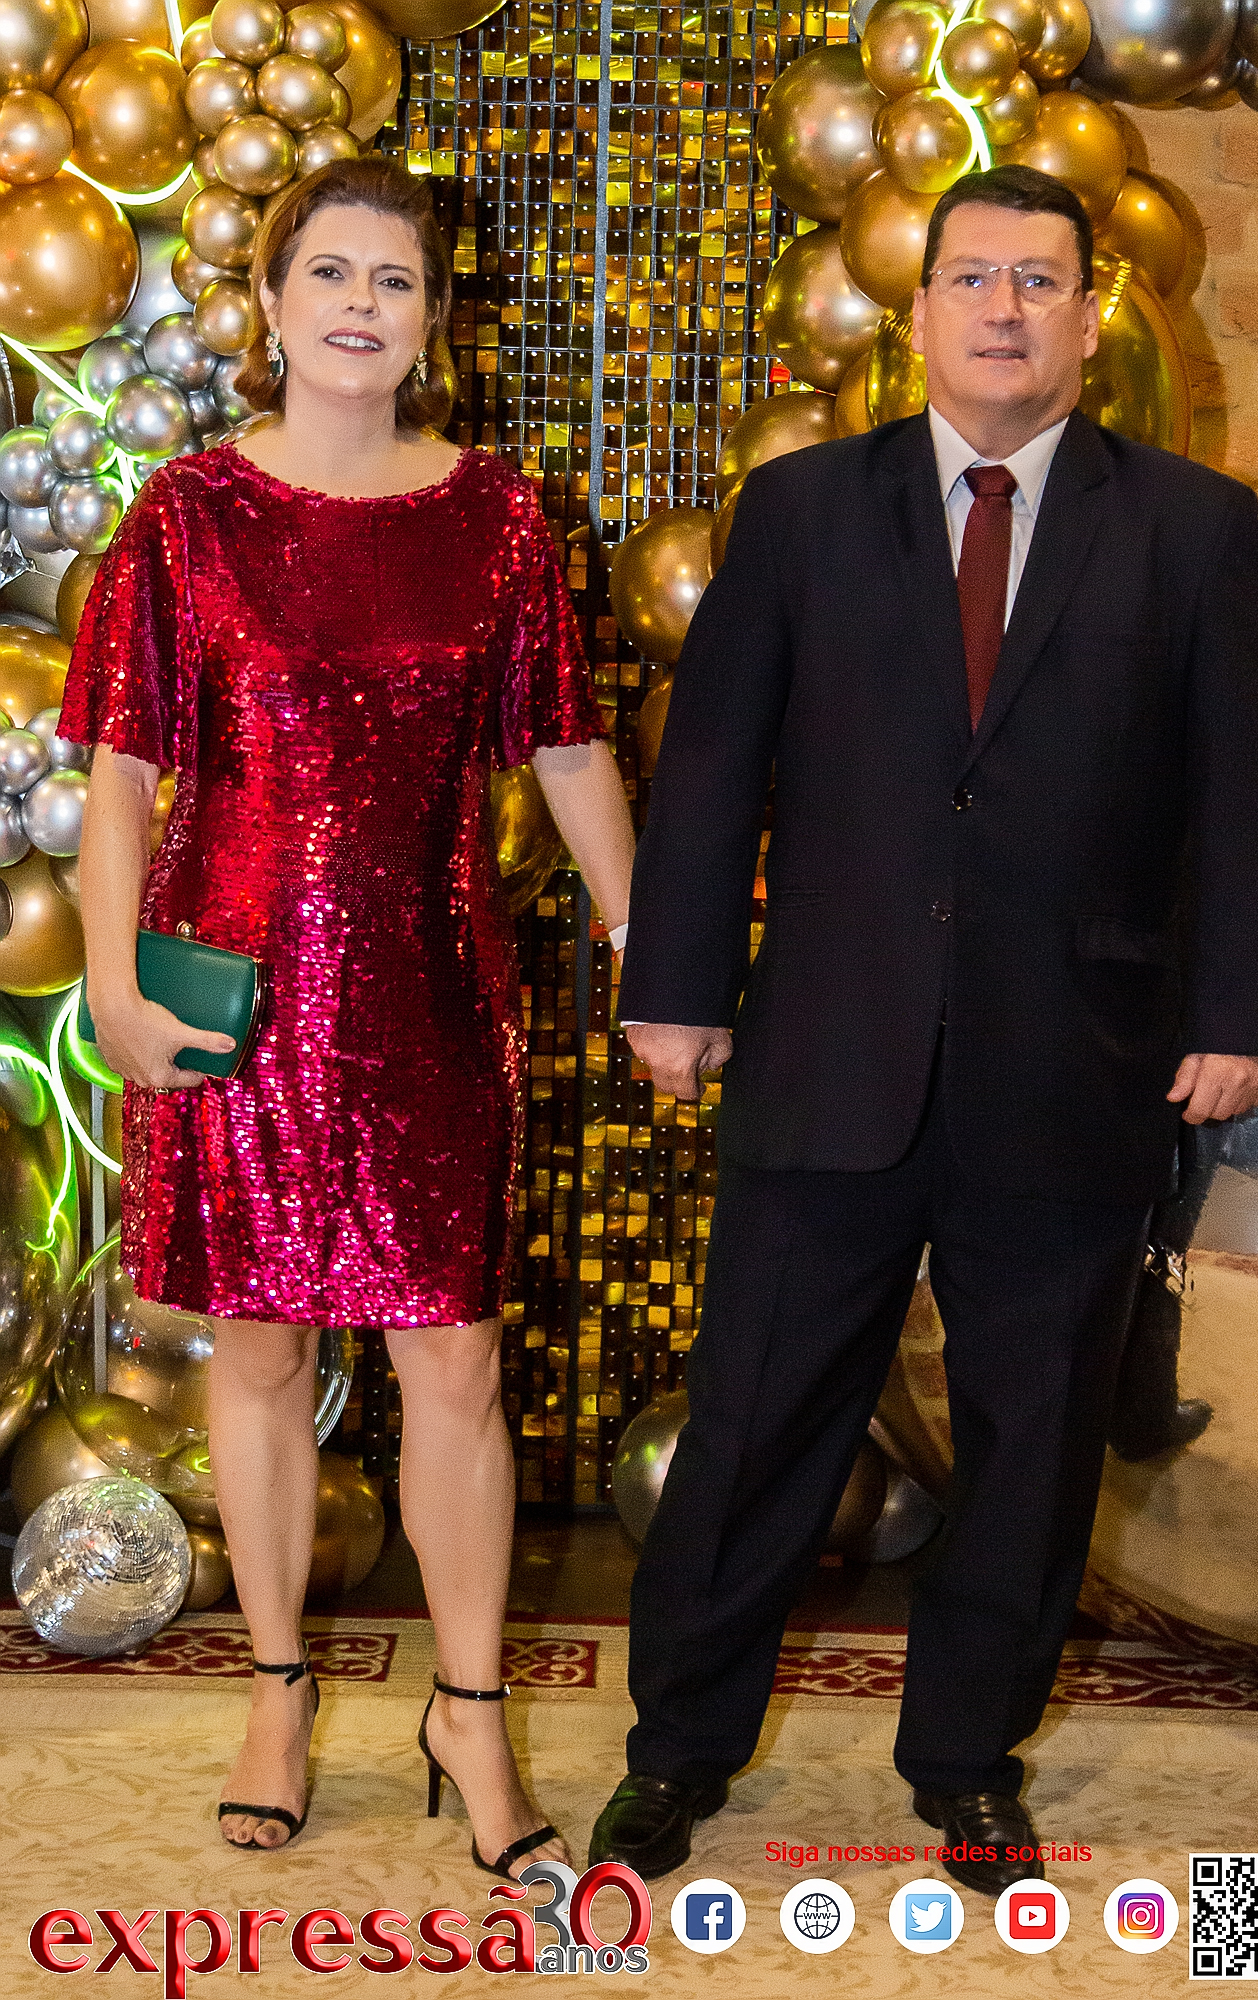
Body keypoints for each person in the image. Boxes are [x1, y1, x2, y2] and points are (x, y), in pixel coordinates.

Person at [591, 164, 1258, 1896]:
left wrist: (1242, 1014)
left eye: (1037, 280)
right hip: (824, 1051)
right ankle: (674, 1750)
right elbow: (713, 769)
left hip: (1076, 1063)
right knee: (755, 1424)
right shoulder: (799, 513)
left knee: (1031, 1440)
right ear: (917, 313)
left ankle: (968, 1765)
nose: (1003, 308)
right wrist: (672, 986)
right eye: (972, 277)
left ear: (1089, 317)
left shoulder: (1191, 528)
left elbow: (1246, 801)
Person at [62, 155, 637, 1876]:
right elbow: (121, 777)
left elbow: (565, 747)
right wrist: (111, 983)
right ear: (269, 300)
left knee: (453, 1352)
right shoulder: (186, 515)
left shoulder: (501, 519)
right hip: (230, 995)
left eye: (394, 279)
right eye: (328, 272)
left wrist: (644, 939)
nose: (359, 305)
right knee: (259, 1348)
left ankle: (469, 1712)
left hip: (430, 993)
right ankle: (278, 1688)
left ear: (433, 319)